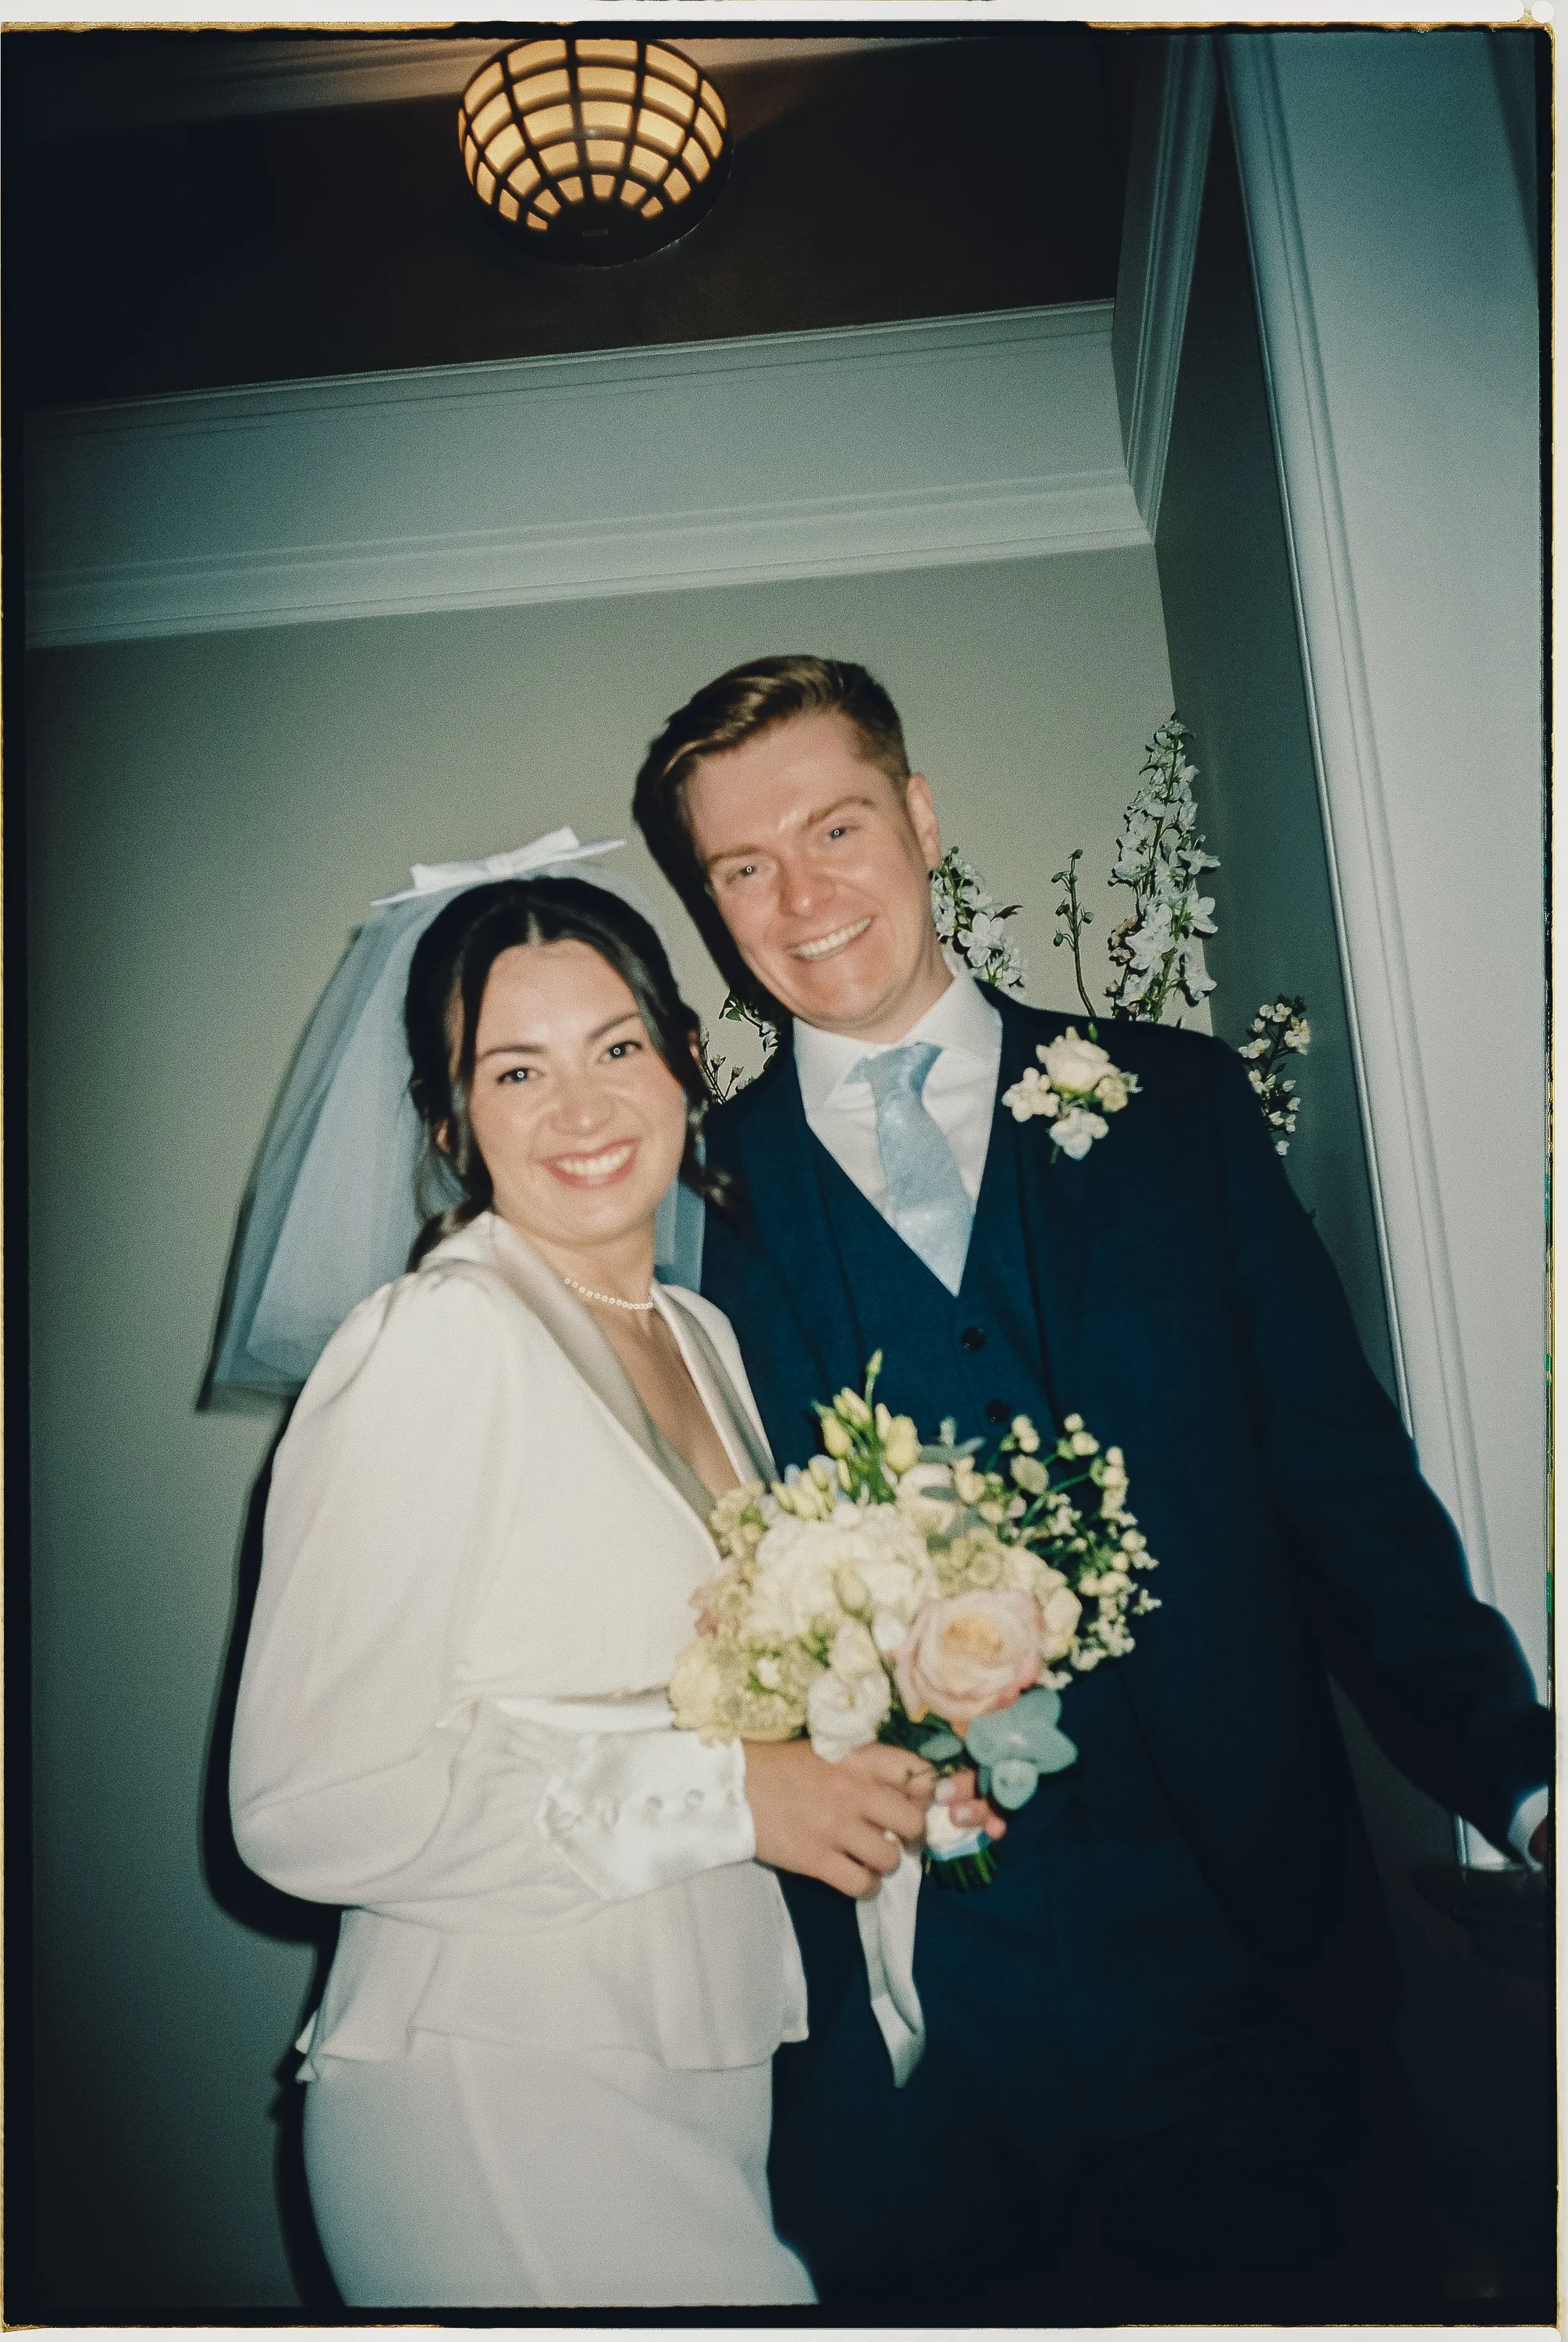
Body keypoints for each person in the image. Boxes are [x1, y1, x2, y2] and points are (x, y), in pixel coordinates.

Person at [633, 654, 1553, 2322]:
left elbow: (1333, 1482)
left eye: (835, 828)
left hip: (1239, 1951)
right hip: (904, 2012)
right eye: (741, 869)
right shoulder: (692, 1203)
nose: (801, 896)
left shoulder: (1177, 1107)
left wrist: (1520, 1773)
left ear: (919, 816)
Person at [227, 860, 940, 2308]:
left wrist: (882, 1761)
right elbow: (306, 1803)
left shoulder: (698, 1334)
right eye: (516, 1070)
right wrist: (740, 1795)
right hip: (498, 2083)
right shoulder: (436, 1342)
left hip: (700, 2065)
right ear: (451, 1120)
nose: (584, 1107)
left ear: (684, 1056)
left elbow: (702, 1686)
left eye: (617, 1046)